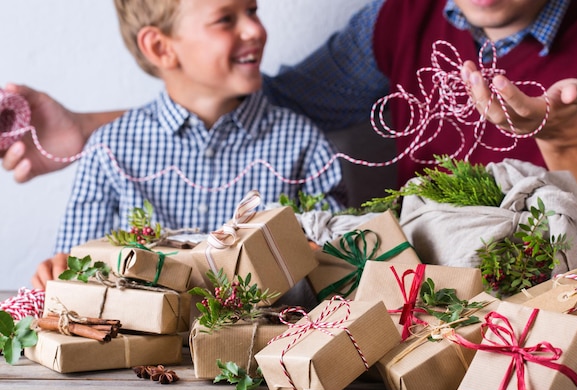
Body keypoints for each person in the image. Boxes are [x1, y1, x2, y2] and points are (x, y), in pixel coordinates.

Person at [3, 2, 577, 231]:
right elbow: (259, 106)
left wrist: (566, 138)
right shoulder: (396, 20)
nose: (253, 29)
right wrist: (88, 128)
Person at [28, 0, 346, 289]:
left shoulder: (302, 143)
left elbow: (339, 269)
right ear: (160, 47)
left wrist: (319, 257)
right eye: (225, 19)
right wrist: (60, 271)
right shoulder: (110, 149)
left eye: (252, 11)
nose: (255, 30)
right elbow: (77, 272)